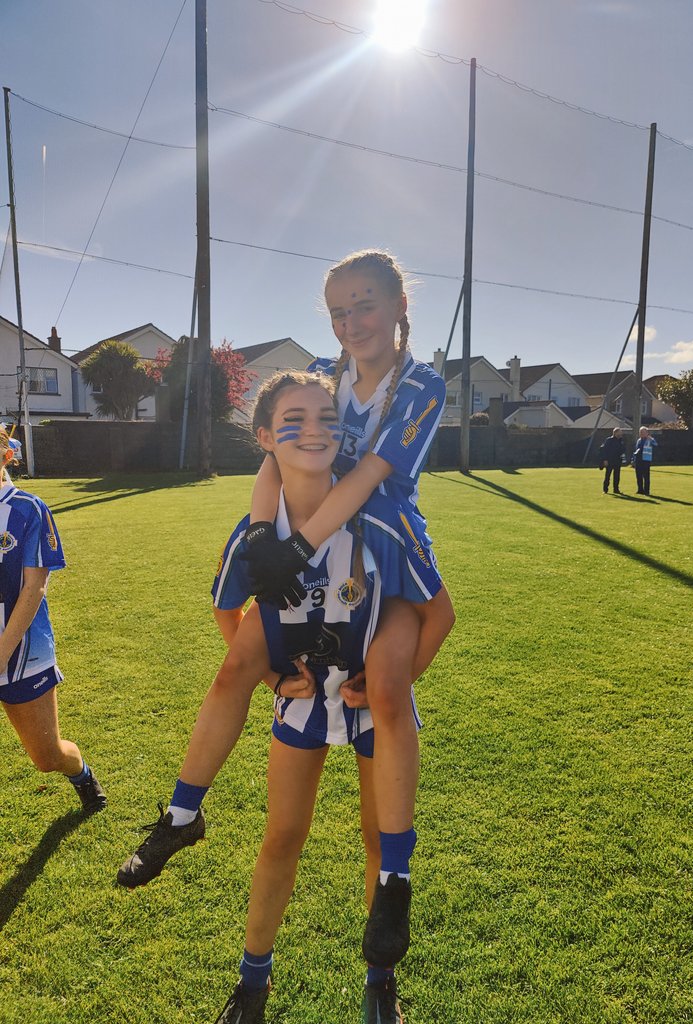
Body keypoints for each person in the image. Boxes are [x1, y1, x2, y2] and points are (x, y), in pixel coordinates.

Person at [117, 251, 454, 976]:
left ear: (400, 304)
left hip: (384, 550)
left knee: (389, 687)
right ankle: (182, 813)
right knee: (240, 659)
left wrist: (295, 544)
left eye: (364, 303)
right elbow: (275, 457)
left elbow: (368, 476)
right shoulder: (326, 382)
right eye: (337, 310)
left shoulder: (420, 382)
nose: (350, 321)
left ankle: (393, 882)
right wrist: (266, 536)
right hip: (308, 540)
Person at [218, 372, 424, 1022]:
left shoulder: (378, 516)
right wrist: (275, 676)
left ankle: (378, 983)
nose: (314, 431)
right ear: (264, 438)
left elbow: (435, 610)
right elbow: (231, 615)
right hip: (304, 699)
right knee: (282, 835)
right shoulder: (258, 532)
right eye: (294, 420)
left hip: (372, 707)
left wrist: (392, 684)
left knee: (378, 840)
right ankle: (253, 983)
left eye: (327, 418)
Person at [0, 429, 106, 815]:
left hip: (21, 651)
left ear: (5, 455)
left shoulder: (26, 509)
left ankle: (79, 772)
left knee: (47, 757)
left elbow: (34, 588)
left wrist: (1, 655)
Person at [599, 428, 625, 494]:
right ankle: (605, 489)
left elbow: (622, 450)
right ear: (615, 433)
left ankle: (616, 489)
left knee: (617, 476)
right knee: (608, 475)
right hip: (610, 460)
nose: (620, 434)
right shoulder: (609, 440)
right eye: (619, 433)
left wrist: (623, 458)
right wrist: (605, 460)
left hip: (617, 461)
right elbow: (604, 450)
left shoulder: (621, 440)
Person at [633, 426, 658, 495]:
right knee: (638, 476)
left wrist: (651, 440)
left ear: (647, 433)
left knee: (646, 477)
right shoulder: (639, 440)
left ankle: (646, 491)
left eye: (643, 432)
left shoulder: (650, 440)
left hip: (646, 460)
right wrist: (633, 460)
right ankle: (640, 490)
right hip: (638, 460)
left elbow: (656, 445)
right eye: (640, 432)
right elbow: (636, 450)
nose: (641, 433)